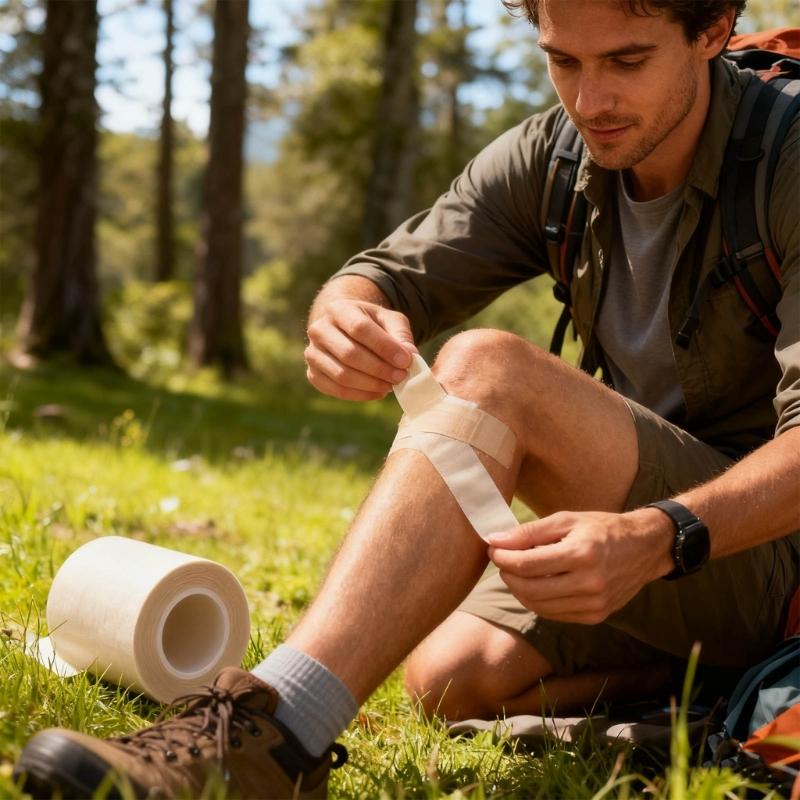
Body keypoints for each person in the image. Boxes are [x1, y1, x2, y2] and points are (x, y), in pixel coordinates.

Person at [14, 0, 799, 797]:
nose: (589, 101)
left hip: (772, 555)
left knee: (491, 371)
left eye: (626, 62)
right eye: (563, 60)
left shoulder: (788, 156)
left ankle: (272, 736)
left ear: (712, 30)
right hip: (670, 551)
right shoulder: (554, 158)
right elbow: (386, 274)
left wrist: (657, 539)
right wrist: (342, 317)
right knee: (451, 680)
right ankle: (721, 699)